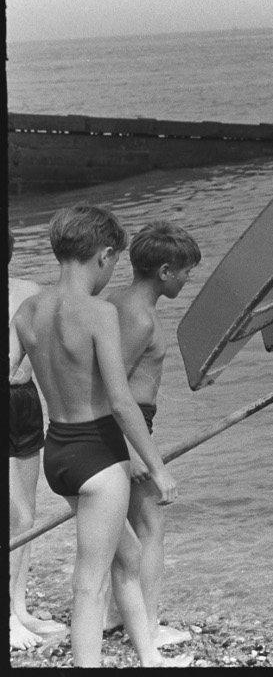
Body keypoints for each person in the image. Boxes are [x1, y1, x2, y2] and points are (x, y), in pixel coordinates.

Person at [8, 206, 188, 667]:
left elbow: (13, 377)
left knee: (126, 556)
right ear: (105, 256)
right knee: (89, 584)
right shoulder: (99, 312)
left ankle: (150, 657)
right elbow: (123, 403)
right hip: (97, 455)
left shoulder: (28, 309)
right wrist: (158, 467)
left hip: (58, 454)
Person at [101, 221, 201, 648]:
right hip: (129, 424)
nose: (186, 279)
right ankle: (149, 624)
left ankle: (112, 613)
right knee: (150, 528)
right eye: (184, 272)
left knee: (119, 528)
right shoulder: (140, 318)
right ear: (164, 271)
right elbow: (112, 388)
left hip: (127, 423)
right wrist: (135, 452)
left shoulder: (117, 300)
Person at [9, 228, 67, 651]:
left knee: (25, 516)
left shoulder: (29, 290)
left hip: (24, 401)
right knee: (10, 513)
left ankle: (19, 606)